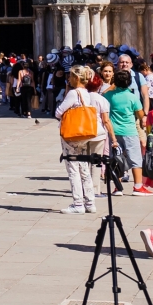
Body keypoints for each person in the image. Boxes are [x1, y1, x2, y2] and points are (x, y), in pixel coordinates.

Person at [57, 65, 116, 214]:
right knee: (84, 167)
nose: (69, 79)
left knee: (73, 168)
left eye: (70, 76)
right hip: (85, 135)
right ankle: (90, 202)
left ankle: (78, 203)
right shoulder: (88, 94)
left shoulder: (73, 93)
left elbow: (58, 112)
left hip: (72, 135)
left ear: (76, 78)